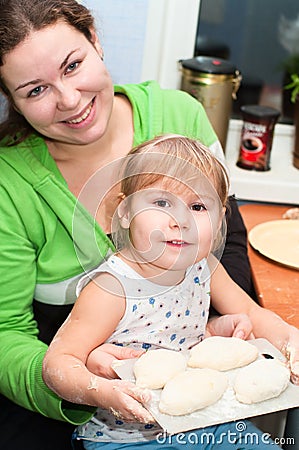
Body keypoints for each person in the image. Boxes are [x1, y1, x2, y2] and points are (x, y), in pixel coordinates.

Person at [0, 0, 290, 448]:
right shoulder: (106, 283)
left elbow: (231, 285)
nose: (70, 100)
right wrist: (87, 384)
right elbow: (16, 339)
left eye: (73, 65)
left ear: (95, 41)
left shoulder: (181, 117)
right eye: (35, 90)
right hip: (105, 422)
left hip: (204, 417)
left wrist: (224, 333)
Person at [42, 134, 297, 450]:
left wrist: (290, 341)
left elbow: (251, 313)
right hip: (130, 438)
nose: (181, 220)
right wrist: (101, 391)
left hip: (210, 420)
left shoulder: (204, 268)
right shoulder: (112, 289)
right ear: (124, 211)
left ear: (219, 223)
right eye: (162, 202)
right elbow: (58, 363)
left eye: (198, 206)